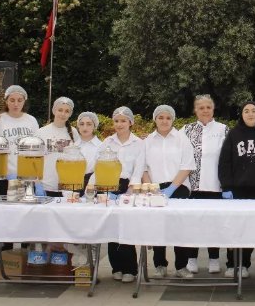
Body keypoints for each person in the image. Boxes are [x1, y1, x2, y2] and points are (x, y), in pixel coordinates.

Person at [92, 106, 145, 284]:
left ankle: (130, 268)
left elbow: (138, 168)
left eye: (123, 121)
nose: (119, 124)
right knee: (112, 227)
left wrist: (131, 190)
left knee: (126, 228)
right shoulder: (107, 142)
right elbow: (97, 165)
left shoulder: (139, 143)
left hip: (127, 186)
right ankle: (116, 267)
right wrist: (94, 186)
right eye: (116, 121)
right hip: (108, 185)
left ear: (130, 122)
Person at [143, 105, 196, 278]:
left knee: (178, 227)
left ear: (172, 119)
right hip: (155, 188)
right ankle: (160, 264)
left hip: (178, 187)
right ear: (155, 119)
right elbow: (143, 168)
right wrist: (151, 189)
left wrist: (172, 188)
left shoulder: (182, 139)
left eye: (168, 118)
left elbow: (187, 166)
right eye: (161, 117)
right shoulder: (148, 141)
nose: (164, 121)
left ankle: (181, 266)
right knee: (159, 226)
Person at [218, 101, 255, 278]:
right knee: (234, 228)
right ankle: (231, 264)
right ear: (242, 114)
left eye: (254, 110)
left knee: (250, 229)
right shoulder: (233, 134)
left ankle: (244, 264)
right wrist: (226, 187)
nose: (250, 114)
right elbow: (224, 162)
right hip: (237, 190)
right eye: (246, 111)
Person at [181, 95, 227, 274]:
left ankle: (214, 258)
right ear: (195, 110)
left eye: (208, 107)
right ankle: (191, 258)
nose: (205, 110)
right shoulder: (186, 130)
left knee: (213, 224)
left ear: (213, 109)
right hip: (193, 186)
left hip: (216, 186)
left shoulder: (223, 129)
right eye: (201, 108)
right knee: (194, 224)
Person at [0, 85, 39, 195]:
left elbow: (38, 148)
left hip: (28, 175)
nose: (16, 104)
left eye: (19, 100)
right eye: (12, 100)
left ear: (24, 101)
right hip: (5, 177)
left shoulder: (31, 120)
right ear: (6, 101)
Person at [37, 97, 80, 196]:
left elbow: (77, 159)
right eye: (60, 110)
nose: (63, 114)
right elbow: (35, 160)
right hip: (46, 186)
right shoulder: (41, 132)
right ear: (54, 110)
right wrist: (37, 183)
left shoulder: (73, 132)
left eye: (67, 111)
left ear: (70, 114)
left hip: (67, 188)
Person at [76, 111, 104, 191]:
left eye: (89, 124)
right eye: (82, 124)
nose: (85, 127)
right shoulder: (73, 146)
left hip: (94, 187)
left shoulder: (101, 147)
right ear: (78, 126)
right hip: (74, 187)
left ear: (94, 126)